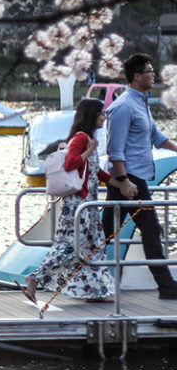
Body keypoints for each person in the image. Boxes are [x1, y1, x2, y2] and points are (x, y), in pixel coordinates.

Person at [23, 99, 118, 304]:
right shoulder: (82, 138)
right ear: (92, 116)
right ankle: (35, 279)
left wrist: (118, 184)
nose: (104, 117)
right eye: (101, 114)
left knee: (94, 247)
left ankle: (95, 291)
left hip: (89, 206)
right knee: (69, 247)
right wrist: (90, 150)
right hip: (77, 205)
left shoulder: (89, 139)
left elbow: (95, 172)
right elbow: (71, 162)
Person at [103, 53, 177, 299]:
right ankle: (167, 287)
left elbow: (156, 137)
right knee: (151, 230)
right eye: (149, 71)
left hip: (134, 179)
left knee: (102, 232)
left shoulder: (141, 102)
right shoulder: (123, 106)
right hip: (129, 179)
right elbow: (115, 149)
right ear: (136, 76)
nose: (153, 74)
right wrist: (124, 181)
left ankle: (63, 272)